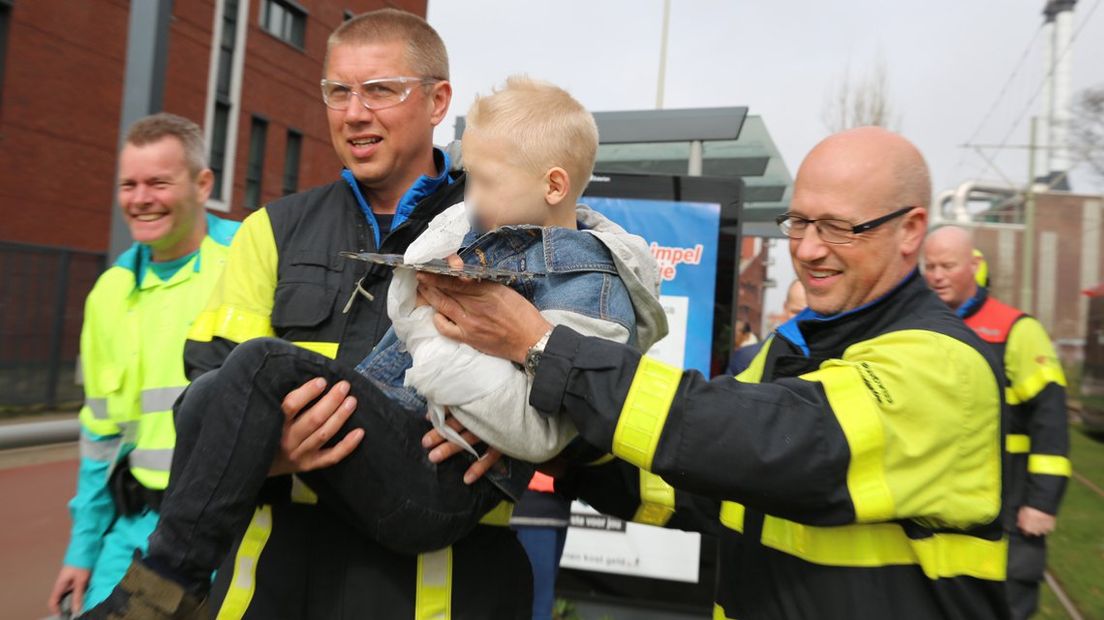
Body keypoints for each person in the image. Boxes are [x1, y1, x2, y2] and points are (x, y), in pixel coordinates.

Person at [82, 76, 666, 619]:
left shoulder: (588, 281)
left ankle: (162, 588)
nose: (355, 111)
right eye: (337, 90)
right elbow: (202, 405)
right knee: (215, 388)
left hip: (440, 495)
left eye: (380, 89)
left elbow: (568, 413)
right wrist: (265, 445)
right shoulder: (293, 227)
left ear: (435, 100)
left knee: (263, 363)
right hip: (312, 549)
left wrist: (441, 345)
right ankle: (167, 580)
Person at [417, 127, 1015, 619]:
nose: (807, 249)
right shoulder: (789, 349)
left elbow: (772, 447)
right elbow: (697, 486)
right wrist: (572, 458)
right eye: (800, 222)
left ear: (910, 230)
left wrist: (544, 347)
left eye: (837, 227)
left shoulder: (945, 367)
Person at [46, 113, 239, 616]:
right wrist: (82, 549)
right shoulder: (109, 292)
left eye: (158, 182)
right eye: (128, 184)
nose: (140, 198)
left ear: (202, 184)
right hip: (138, 531)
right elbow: (101, 434)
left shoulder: (249, 259)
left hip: (235, 534)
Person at [923, 225, 1070, 620]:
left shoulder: (1016, 330)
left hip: (1010, 506)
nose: (937, 275)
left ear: (973, 266)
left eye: (947, 265)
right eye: (930, 265)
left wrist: (1042, 501)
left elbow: (1050, 417)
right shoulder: (920, 330)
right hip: (939, 506)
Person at [725, 280, 806, 375]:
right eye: (796, 312)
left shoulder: (826, 364)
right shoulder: (746, 359)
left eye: (813, 313)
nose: (803, 319)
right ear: (785, 308)